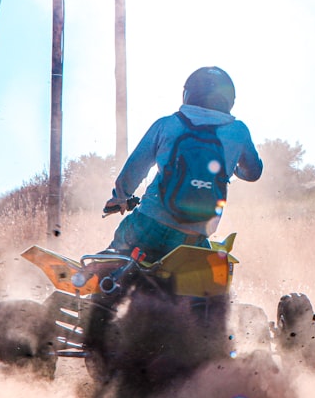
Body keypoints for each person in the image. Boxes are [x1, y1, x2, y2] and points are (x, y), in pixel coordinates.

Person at [103, 66, 263, 261]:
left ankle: (99, 279)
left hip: (149, 223)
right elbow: (254, 172)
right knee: (205, 281)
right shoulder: (238, 131)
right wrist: (234, 167)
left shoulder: (168, 124)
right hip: (194, 236)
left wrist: (120, 197)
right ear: (229, 99)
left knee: (113, 260)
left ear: (188, 93)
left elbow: (136, 166)